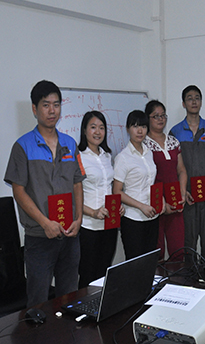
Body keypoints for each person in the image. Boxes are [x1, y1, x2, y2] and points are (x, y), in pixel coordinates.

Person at [4, 80, 85, 307]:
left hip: (70, 234)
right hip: (40, 237)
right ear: (34, 108)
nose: (52, 110)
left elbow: (77, 183)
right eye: (46, 105)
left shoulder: (70, 144)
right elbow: (18, 191)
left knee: (69, 297)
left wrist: (79, 218)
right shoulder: (22, 146)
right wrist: (45, 223)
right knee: (38, 302)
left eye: (56, 105)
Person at [169, 85, 205, 265]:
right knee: (188, 241)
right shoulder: (175, 131)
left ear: (201, 102)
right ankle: (189, 276)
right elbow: (173, 166)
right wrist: (183, 191)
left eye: (197, 98)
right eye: (189, 98)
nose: (194, 101)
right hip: (187, 196)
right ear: (184, 103)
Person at [77, 111, 124, 288]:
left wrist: (118, 206)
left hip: (109, 225)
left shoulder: (106, 156)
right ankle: (85, 306)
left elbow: (108, 187)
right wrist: (93, 212)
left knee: (104, 274)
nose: (98, 132)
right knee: (87, 275)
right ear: (84, 130)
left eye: (102, 127)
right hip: (88, 226)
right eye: (93, 127)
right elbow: (74, 195)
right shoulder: (78, 157)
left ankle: (101, 305)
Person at [113, 110, 160, 260]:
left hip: (152, 216)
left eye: (143, 126)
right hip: (133, 219)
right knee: (135, 264)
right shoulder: (123, 157)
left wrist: (160, 200)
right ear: (128, 129)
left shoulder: (149, 153)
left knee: (150, 262)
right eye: (135, 126)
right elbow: (117, 191)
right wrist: (141, 206)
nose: (140, 131)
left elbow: (150, 182)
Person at [143, 100, 187, 261]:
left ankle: (178, 277)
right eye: (156, 116)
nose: (160, 119)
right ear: (148, 118)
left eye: (163, 116)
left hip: (175, 201)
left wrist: (182, 193)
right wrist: (161, 204)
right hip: (154, 203)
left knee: (178, 247)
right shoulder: (144, 144)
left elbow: (181, 170)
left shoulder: (173, 141)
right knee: (157, 249)